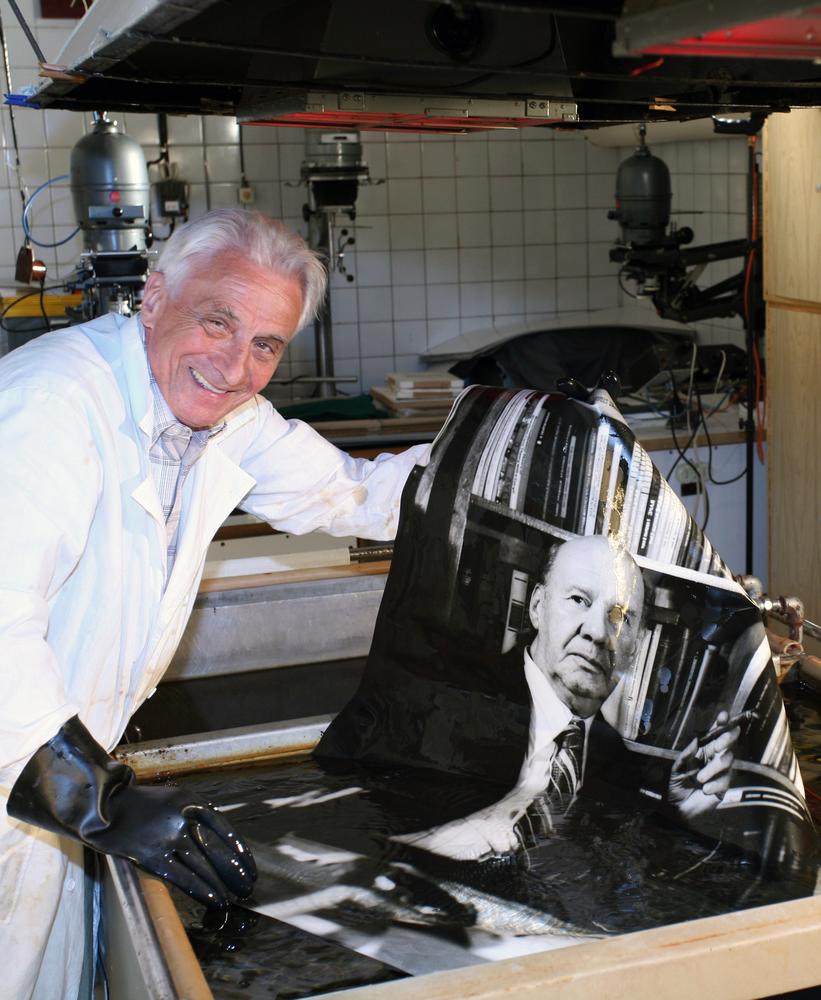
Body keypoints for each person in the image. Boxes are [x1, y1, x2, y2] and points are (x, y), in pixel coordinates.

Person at [0, 209, 430, 999]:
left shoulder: (228, 416)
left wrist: (505, 445)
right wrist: (95, 798)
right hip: (22, 776)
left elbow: (355, 494)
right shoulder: (53, 403)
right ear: (154, 297)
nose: (234, 367)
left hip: (53, 791)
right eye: (217, 321)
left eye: (266, 344)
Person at [394, 534, 738, 860]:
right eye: (578, 600)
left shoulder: (622, 766)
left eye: (619, 617)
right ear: (537, 607)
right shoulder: (442, 701)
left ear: (635, 647)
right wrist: (448, 840)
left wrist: (676, 814)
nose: (598, 632)